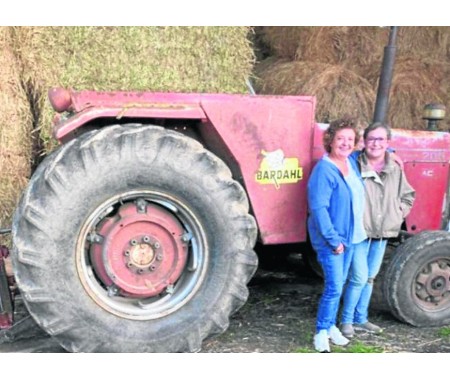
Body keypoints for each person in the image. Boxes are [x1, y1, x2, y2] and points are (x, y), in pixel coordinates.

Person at [340, 122, 415, 338]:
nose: (375, 143)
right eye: (371, 139)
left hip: (383, 232)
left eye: (380, 139)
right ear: (364, 142)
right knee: (358, 277)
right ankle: (346, 321)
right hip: (360, 232)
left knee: (370, 277)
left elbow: (408, 195)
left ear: (387, 143)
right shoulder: (354, 163)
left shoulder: (394, 168)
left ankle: (361, 319)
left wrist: (399, 212)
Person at [307, 116, 368, 353]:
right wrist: (333, 240)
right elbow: (319, 208)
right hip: (333, 240)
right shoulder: (324, 170)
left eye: (350, 139)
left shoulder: (350, 163)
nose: (345, 143)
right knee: (333, 287)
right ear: (330, 140)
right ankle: (321, 332)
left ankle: (332, 326)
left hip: (351, 237)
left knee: (340, 284)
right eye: (340, 138)